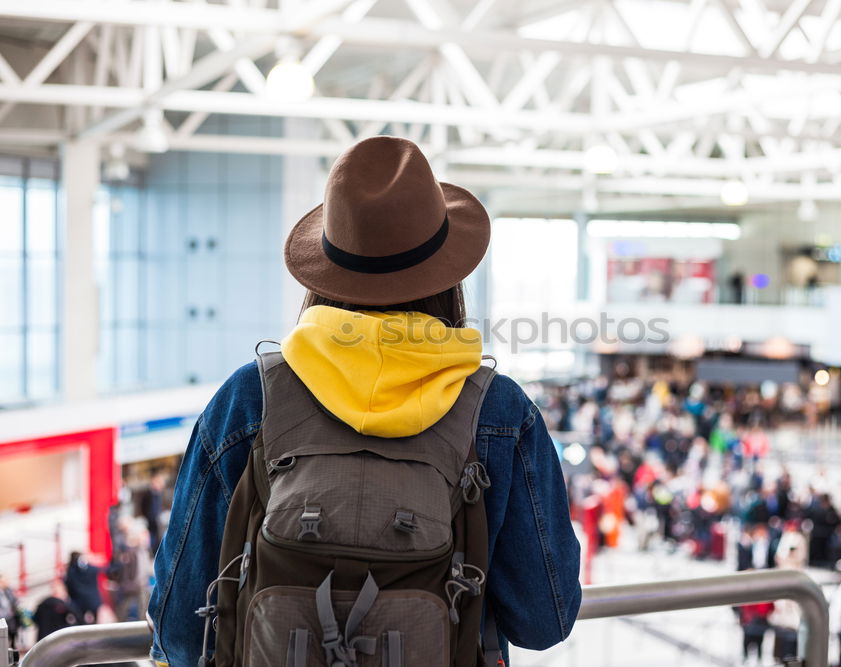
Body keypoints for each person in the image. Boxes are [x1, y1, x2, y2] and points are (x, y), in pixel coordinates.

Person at [147, 137, 582, 666]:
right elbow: (544, 619)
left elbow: (179, 627)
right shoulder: (498, 411)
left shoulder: (249, 399)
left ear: (325, 271)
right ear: (448, 276)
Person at [63, 552, 104, 624]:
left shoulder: (71, 571)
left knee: (80, 623)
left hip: (78, 601)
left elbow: (68, 584)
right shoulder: (89, 568)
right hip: (92, 600)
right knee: (94, 623)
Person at [140, 471, 167, 555]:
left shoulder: (159, 494)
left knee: (158, 537)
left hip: (157, 519)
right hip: (151, 519)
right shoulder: (149, 493)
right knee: (152, 538)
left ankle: (156, 552)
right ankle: (153, 552)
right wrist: (147, 516)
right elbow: (143, 506)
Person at [0, 575, 19, 647]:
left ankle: (12, 646)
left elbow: (14, 601)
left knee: (12, 632)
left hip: (10, 616)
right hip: (1, 617)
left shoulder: (8, 591)